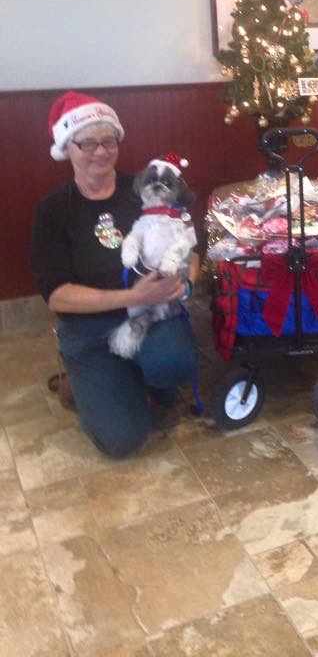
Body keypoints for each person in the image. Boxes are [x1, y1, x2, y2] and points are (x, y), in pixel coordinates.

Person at [30, 91, 199, 458]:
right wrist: (133, 296)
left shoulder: (144, 187)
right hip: (89, 330)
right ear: (67, 147)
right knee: (122, 441)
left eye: (108, 141)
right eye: (87, 142)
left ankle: (146, 375)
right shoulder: (53, 211)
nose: (100, 151)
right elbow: (57, 295)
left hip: (152, 316)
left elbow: (189, 247)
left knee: (175, 362)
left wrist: (185, 283)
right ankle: (94, 379)